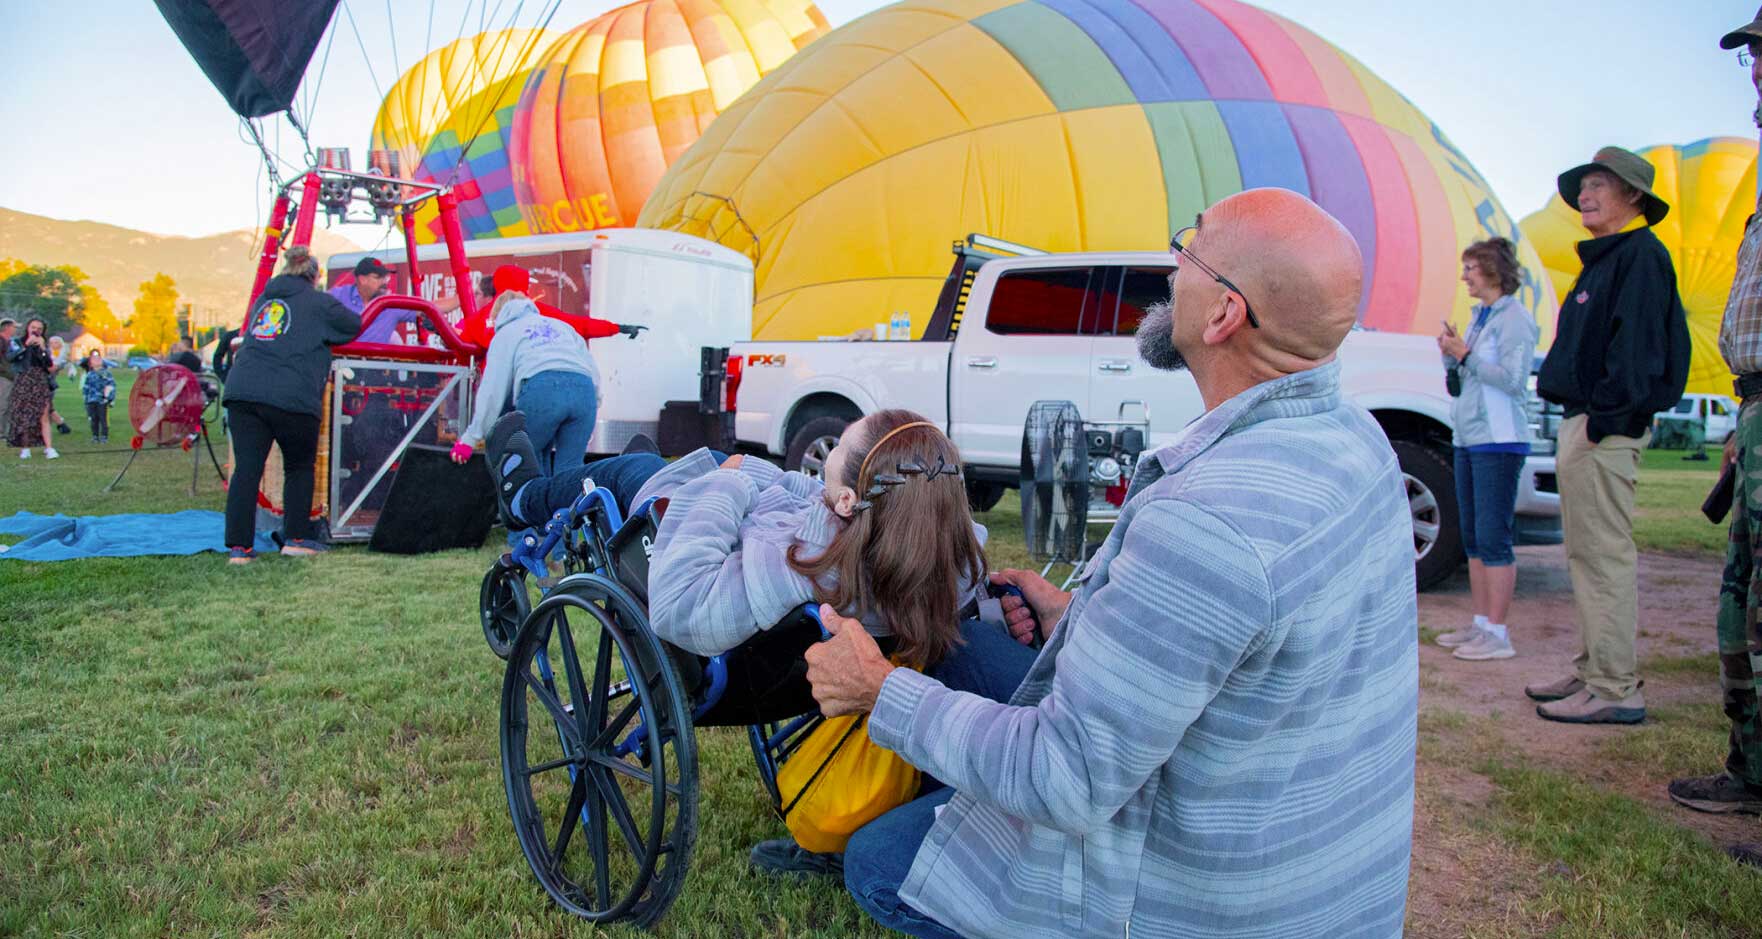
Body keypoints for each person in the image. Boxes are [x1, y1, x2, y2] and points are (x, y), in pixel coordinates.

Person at [801, 189, 1417, 939]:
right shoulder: (1357, 439)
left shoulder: (1206, 523)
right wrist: (1082, 615)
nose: (1170, 263)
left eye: (1189, 248)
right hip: (1309, 861)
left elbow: (1067, 777)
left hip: (1197, 899)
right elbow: (1244, 637)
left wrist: (880, 689)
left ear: (1225, 314)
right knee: (970, 654)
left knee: (877, 858)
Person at [485, 407, 1037, 876]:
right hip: (785, 660)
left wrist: (728, 480)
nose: (830, 454)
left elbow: (679, 608)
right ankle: (659, 466)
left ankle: (522, 494)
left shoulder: (794, 568)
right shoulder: (933, 565)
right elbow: (813, 495)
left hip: (694, 539)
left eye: (838, 447)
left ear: (846, 501)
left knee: (629, 473)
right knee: (655, 465)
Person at [1528, 147, 1691, 724]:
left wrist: (1605, 422)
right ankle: (1594, 668)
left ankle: (1616, 688)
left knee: (1603, 558)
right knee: (1586, 555)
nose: (1586, 195)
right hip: (1585, 422)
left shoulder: (1640, 256)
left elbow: (1640, 352)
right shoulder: (1606, 259)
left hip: (1603, 429)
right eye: (1584, 186)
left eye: (1600, 185)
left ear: (1634, 197)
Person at [1668, 9, 1762, 868]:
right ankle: (1751, 768)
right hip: (1755, 406)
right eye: (1757, 56)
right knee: (1743, 603)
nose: (1759, 70)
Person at [1433, 238, 1541, 661]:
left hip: (1499, 440)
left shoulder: (1514, 318)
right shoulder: (1481, 317)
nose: (1465, 277)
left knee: (1495, 536)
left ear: (1494, 270)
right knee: (1474, 537)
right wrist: (1451, 356)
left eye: (1471, 268)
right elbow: (1467, 375)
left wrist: (1466, 354)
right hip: (1469, 436)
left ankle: (1498, 633)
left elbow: (1513, 381)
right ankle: (1480, 624)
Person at [222, 245, 362, 564]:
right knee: (298, 467)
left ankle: (239, 549)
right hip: (292, 396)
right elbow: (353, 326)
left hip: (243, 391)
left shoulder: (265, 301)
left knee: (246, 470)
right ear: (315, 276)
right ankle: (297, 537)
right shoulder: (319, 302)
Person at [451, 290, 602, 474]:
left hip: (542, 390)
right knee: (570, 470)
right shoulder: (562, 327)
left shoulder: (506, 333)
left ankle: (533, 501)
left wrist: (471, 438)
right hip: (584, 393)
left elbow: (492, 391)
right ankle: (568, 502)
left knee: (528, 464)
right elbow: (592, 369)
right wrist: (595, 402)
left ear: (498, 315)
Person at [8, 318, 59, 459]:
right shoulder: (17, 342)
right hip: (23, 380)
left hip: (39, 380)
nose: (35, 330)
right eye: (33, 327)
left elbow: (49, 365)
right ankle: (25, 448)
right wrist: (25, 346)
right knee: (25, 415)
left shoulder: (42, 344)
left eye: (39, 329)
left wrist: (43, 349)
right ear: (28, 327)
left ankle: (49, 448)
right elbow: (11, 357)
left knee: (44, 414)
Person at [79, 351, 116, 444]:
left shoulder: (106, 374)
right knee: (93, 419)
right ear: (90, 363)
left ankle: (104, 436)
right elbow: (86, 387)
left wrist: (110, 398)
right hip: (91, 400)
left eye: (99, 358)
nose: (97, 360)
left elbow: (111, 386)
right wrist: (86, 398)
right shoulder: (89, 374)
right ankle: (95, 436)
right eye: (94, 359)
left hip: (102, 401)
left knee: (103, 419)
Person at [0, 318, 17, 440]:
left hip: (10, 376)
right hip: (3, 377)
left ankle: (6, 431)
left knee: (9, 405)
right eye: (14, 327)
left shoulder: (10, 342)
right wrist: (7, 372)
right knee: (3, 405)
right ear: (7, 327)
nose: (15, 329)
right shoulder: (1, 341)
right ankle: (1, 432)